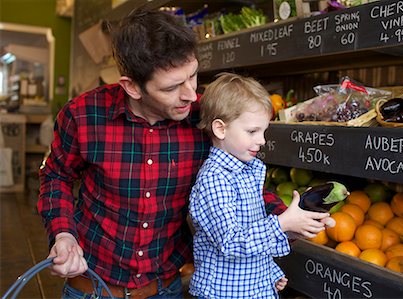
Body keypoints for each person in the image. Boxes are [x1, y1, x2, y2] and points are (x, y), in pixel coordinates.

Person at [38, 4, 332, 299]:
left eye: (192, 76)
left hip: (166, 288)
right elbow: (55, 176)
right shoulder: (84, 115)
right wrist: (63, 233)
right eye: (172, 87)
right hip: (92, 287)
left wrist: (291, 219)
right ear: (132, 87)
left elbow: (242, 183)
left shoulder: (205, 117)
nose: (190, 94)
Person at [188, 73, 334, 299]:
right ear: (220, 129)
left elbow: (253, 235)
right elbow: (231, 242)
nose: (262, 140)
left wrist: (269, 271)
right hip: (225, 294)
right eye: (252, 131)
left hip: (253, 288)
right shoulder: (215, 179)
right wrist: (282, 223)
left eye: (264, 131)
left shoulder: (249, 171)